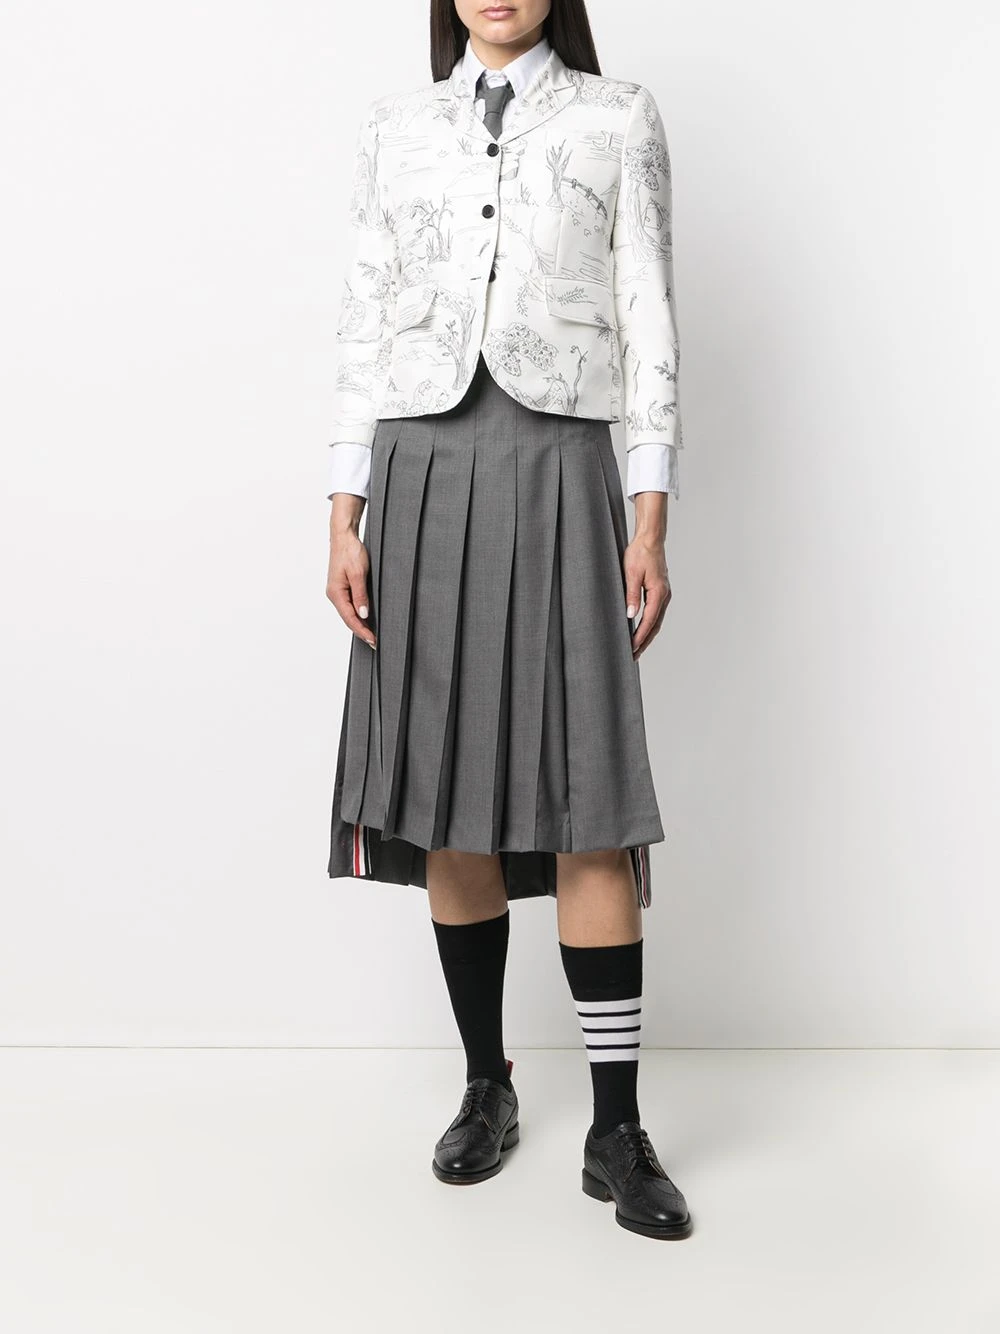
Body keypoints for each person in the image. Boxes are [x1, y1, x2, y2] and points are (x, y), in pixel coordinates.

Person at [324, 0, 692, 1240]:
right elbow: (364, 315)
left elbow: (648, 311)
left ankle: (615, 1129)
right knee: (446, 797)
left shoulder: (616, 115)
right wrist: (343, 510)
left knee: (588, 796)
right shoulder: (396, 126)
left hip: (559, 462)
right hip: (419, 466)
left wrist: (648, 511)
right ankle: (487, 1081)